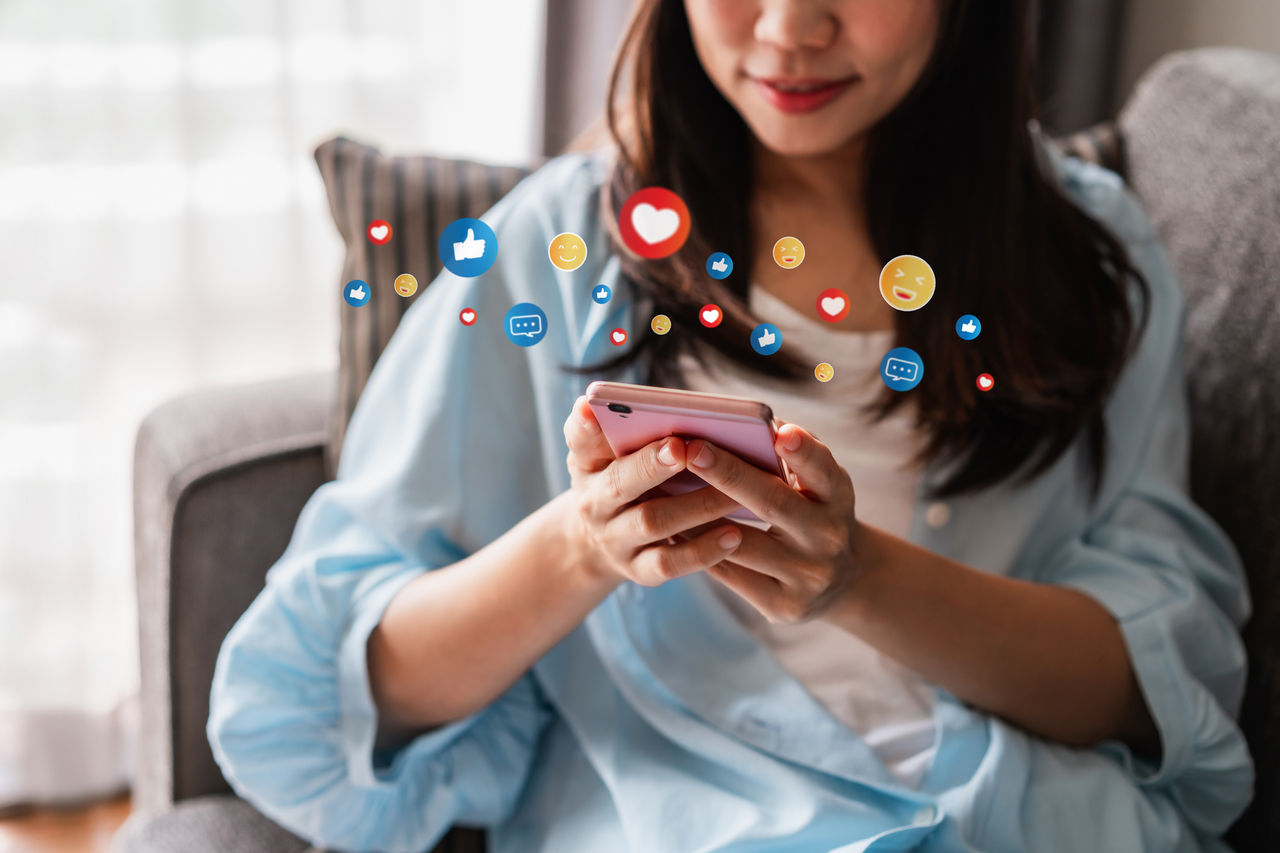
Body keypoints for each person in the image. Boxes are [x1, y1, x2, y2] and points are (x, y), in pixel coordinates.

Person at [207, 1, 1252, 850]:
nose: (790, 29)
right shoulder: (555, 249)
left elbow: (1152, 683)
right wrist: (583, 545)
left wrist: (859, 578)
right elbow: (334, 697)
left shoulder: (1085, 250)